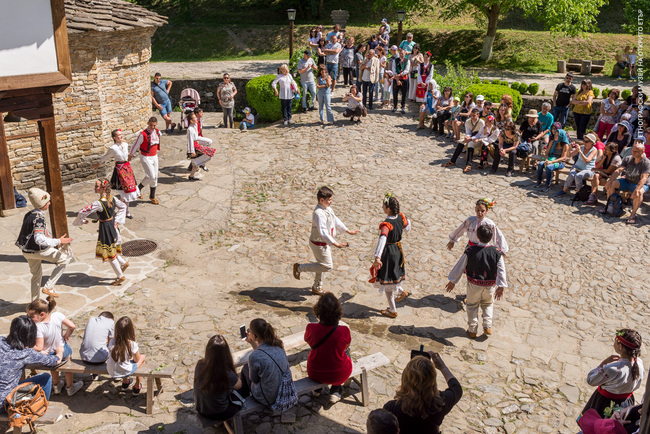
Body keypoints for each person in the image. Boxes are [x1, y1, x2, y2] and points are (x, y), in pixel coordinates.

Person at [292, 186, 359, 295]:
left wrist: (348, 231)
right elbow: (323, 231)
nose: (331, 202)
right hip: (318, 243)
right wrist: (336, 243)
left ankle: (317, 287)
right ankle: (300, 268)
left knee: (322, 264)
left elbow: (335, 220)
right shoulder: (318, 214)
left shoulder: (328, 209)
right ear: (321, 200)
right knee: (327, 266)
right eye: (329, 200)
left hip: (324, 243)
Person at [446, 225, 507, 338]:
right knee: (488, 304)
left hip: (474, 285)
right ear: (491, 237)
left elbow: (460, 265)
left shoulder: (470, 250)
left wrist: (452, 281)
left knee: (472, 305)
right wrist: (501, 286)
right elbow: (501, 269)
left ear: (477, 236)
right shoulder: (497, 252)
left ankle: (473, 329)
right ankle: (487, 325)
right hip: (490, 286)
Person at [383, 352, 462, 433]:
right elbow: (457, 389)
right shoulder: (440, 403)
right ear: (433, 379)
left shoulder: (392, 408)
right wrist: (442, 367)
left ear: (405, 378)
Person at [16, 188, 73, 299]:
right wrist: (58, 241)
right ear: (43, 203)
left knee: (36, 276)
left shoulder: (29, 214)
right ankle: (49, 286)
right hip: (39, 250)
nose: (50, 203)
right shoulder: (39, 217)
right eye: (47, 202)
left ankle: (34, 304)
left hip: (26, 251)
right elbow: (39, 239)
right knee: (65, 259)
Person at [577, 329, 643, 423]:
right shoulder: (639, 364)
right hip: (626, 403)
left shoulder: (613, 368)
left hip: (604, 403)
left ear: (620, 347)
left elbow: (591, 380)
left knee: (598, 426)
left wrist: (603, 363)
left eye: (615, 341)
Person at [0, 316, 63, 410]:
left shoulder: (1, 341)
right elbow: (55, 361)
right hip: (3, 403)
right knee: (45, 377)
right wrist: (60, 352)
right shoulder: (26, 353)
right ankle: (39, 409)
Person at [74, 179, 128, 285]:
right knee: (112, 247)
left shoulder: (98, 203)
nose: (94, 188)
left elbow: (82, 211)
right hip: (112, 225)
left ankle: (120, 276)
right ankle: (124, 263)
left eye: (97, 186)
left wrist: (82, 220)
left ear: (103, 188)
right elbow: (123, 206)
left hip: (106, 228)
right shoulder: (112, 198)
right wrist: (116, 220)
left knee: (109, 253)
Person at [28, 296, 84, 396]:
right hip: (62, 351)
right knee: (67, 362)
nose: (30, 319)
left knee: (53, 361)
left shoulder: (38, 327)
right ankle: (70, 387)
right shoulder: (57, 315)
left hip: (49, 356)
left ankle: (56, 385)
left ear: (41, 314)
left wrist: (30, 347)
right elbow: (72, 326)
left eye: (32, 316)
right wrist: (66, 336)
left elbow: (39, 347)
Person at [304, 293, 352, 402]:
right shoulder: (344, 331)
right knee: (347, 352)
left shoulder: (311, 328)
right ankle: (336, 390)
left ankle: (318, 389)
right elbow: (346, 346)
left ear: (318, 311)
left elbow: (308, 341)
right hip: (339, 374)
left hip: (315, 372)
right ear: (338, 312)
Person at [370, 194, 411, 318]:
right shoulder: (401, 217)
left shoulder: (386, 224)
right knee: (393, 276)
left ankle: (393, 310)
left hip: (388, 253)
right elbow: (407, 226)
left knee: (387, 283)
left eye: (383, 206)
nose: (382, 207)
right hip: (398, 250)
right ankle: (400, 292)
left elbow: (382, 239)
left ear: (388, 209)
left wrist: (377, 257)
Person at [240, 319, 291, 408]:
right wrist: (252, 342)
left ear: (255, 336)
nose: (249, 332)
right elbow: (263, 353)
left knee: (245, 368)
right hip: (284, 390)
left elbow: (254, 379)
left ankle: (244, 400)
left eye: (250, 331)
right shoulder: (278, 345)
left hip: (268, 398)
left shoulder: (254, 356)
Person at [92, 129, 140, 219]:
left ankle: (125, 210)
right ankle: (124, 210)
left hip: (127, 169)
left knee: (129, 191)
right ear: (114, 137)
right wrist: (98, 164)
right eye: (119, 135)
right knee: (123, 192)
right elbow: (105, 157)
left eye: (121, 134)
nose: (121, 136)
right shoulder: (113, 148)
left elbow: (127, 156)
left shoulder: (125, 145)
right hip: (120, 170)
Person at [194, 335, 243, 421]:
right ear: (226, 353)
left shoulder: (200, 364)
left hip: (201, 409)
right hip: (220, 413)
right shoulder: (226, 374)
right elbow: (239, 385)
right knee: (243, 386)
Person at [600, 142, 650, 224]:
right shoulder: (628, 158)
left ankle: (633, 214)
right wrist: (610, 181)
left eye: (636, 151)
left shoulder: (646, 162)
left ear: (642, 152)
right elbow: (618, 170)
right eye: (632, 150)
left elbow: (644, 178)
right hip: (627, 181)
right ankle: (610, 206)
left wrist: (637, 189)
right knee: (612, 184)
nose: (633, 152)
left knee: (639, 192)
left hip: (640, 184)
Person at [108, 316, 146, 395]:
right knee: (142, 359)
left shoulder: (112, 341)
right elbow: (136, 360)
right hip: (125, 371)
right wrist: (141, 357)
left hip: (111, 370)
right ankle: (137, 387)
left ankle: (125, 383)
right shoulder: (132, 344)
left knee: (123, 360)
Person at [129, 117, 161, 205]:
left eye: (154, 125)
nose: (153, 127)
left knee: (154, 177)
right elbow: (135, 145)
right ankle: (138, 189)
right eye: (151, 125)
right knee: (152, 176)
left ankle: (152, 196)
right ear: (148, 123)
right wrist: (130, 155)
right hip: (145, 157)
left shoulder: (157, 132)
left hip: (154, 156)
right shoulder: (142, 134)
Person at [443, 108, 484, 173]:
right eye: (471, 115)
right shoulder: (468, 121)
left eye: (474, 116)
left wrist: (470, 139)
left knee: (471, 143)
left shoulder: (481, 122)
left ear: (478, 115)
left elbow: (480, 134)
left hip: (478, 139)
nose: (472, 117)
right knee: (461, 142)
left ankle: (469, 165)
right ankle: (452, 161)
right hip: (471, 137)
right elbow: (468, 132)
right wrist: (467, 137)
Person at [534, 123, 570, 192]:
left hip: (560, 162)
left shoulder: (565, 145)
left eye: (557, 135)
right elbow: (547, 152)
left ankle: (548, 185)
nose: (555, 137)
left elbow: (563, 158)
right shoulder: (552, 142)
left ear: (561, 136)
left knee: (549, 167)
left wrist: (551, 162)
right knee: (541, 164)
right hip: (551, 158)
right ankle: (538, 181)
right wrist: (547, 159)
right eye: (555, 135)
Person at [186, 112, 215, 181]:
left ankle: (191, 176)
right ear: (191, 121)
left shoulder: (194, 126)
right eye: (195, 118)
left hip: (196, 145)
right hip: (194, 147)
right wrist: (192, 151)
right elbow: (190, 141)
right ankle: (192, 175)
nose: (196, 119)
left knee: (197, 162)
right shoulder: (190, 129)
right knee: (196, 162)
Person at [416, 51, 435, 129]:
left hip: (427, 83)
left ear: (429, 58)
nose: (425, 58)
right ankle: (421, 121)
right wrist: (421, 82)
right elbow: (419, 74)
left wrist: (426, 83)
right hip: (421, 82)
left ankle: (424, 118)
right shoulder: (420, 65)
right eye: (424, 57)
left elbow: (430, 75)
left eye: (426, 57)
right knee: (421, 100)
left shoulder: (431, 66)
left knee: (426, 96)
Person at [391, 48, 410, 114]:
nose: (401, 55)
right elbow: (393, 69)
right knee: (395, 93)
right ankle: (395, 106)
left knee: (404, 94)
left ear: (405, 54)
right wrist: (397, 77)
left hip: (404, 79)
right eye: (400, 53)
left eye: (402, 53)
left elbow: (407, 70)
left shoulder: (407, 61)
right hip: (396, 78)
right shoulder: (395, 60)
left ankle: (402, 107)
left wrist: (401, 74)